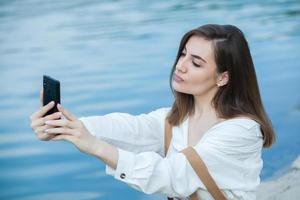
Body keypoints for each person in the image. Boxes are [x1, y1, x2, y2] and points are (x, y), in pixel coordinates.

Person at [30, 24, 276, 200]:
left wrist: (93, 145)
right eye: (183, 54)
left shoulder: (242, 131)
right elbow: (127, 129)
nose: (180, 65)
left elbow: (170, 176)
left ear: (223, 78)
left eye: (196, 62)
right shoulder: (175, 119)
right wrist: (65, 126)